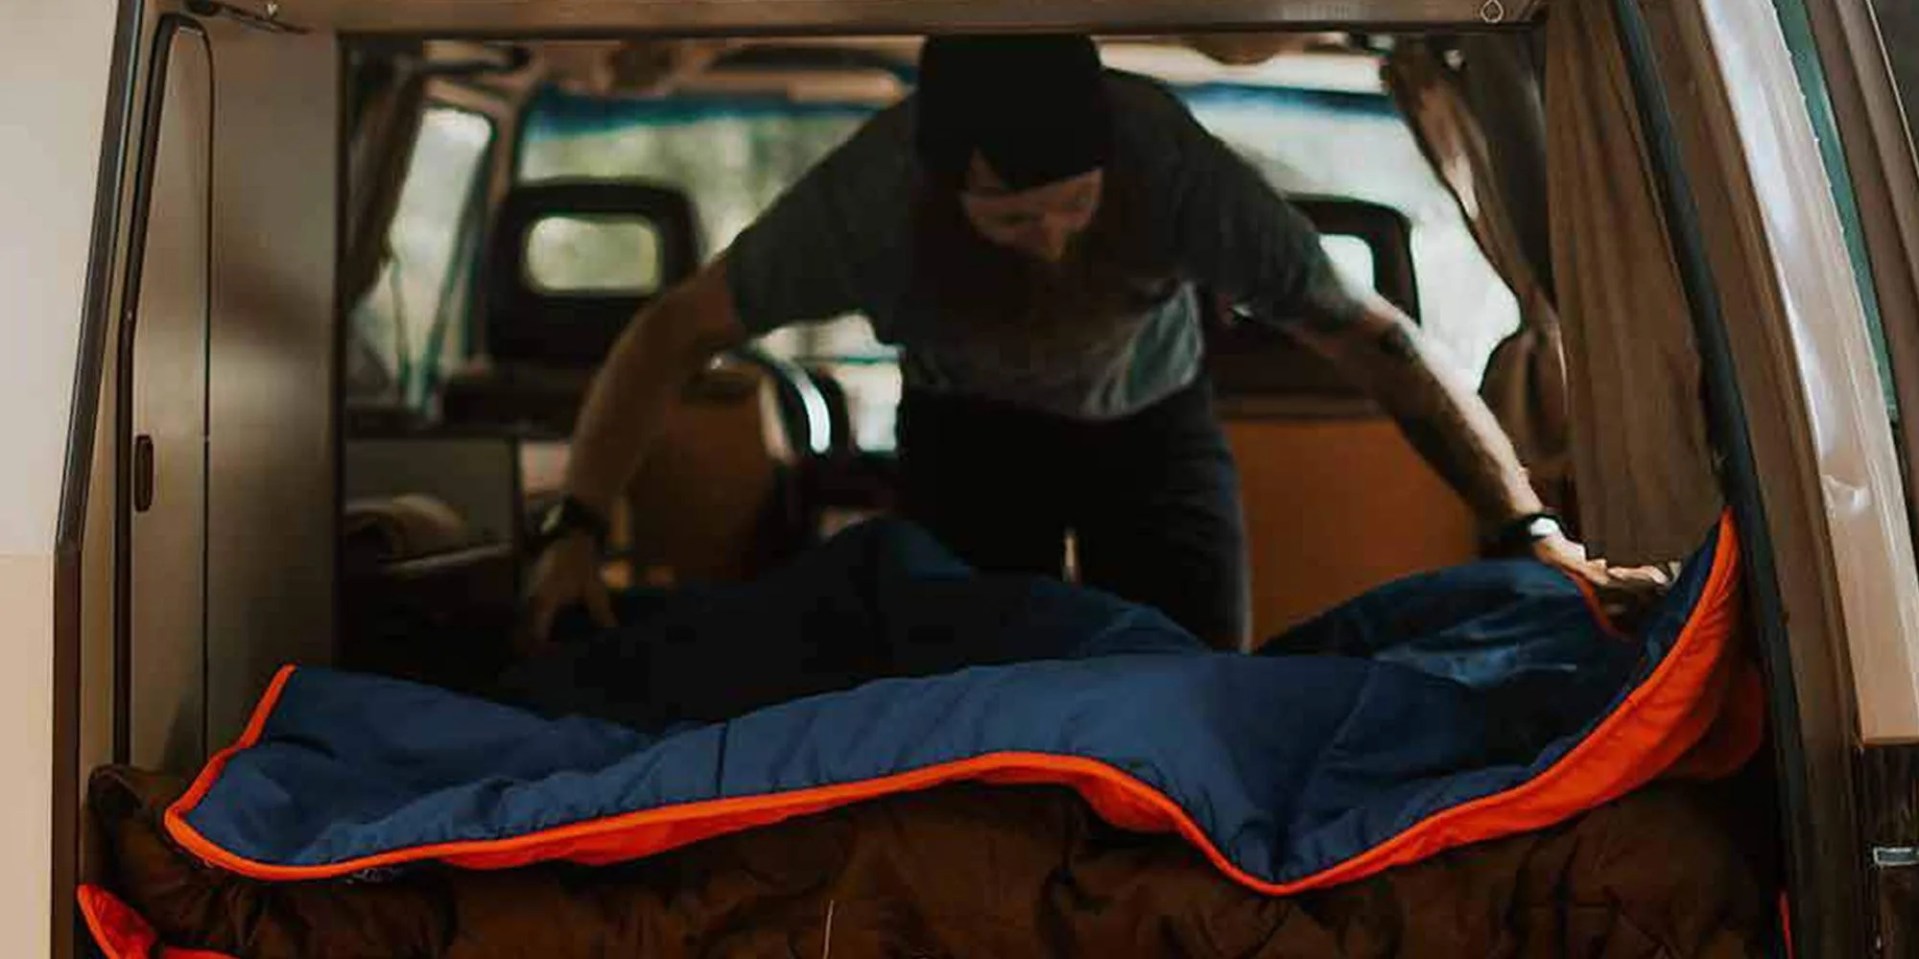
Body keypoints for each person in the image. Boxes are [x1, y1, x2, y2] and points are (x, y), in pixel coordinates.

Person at [525, 34, 1666, 651]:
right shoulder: (867, 197)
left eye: (1072, 204)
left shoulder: (1168, 164)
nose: (1052, 241)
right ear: (938, 181)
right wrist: (573, 524)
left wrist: (1530, 528)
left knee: (1194, 683)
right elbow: (672, 329)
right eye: (1013, 218)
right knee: (966, 692)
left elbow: (1379, 347)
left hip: (1154, 430)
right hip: (964, 435)